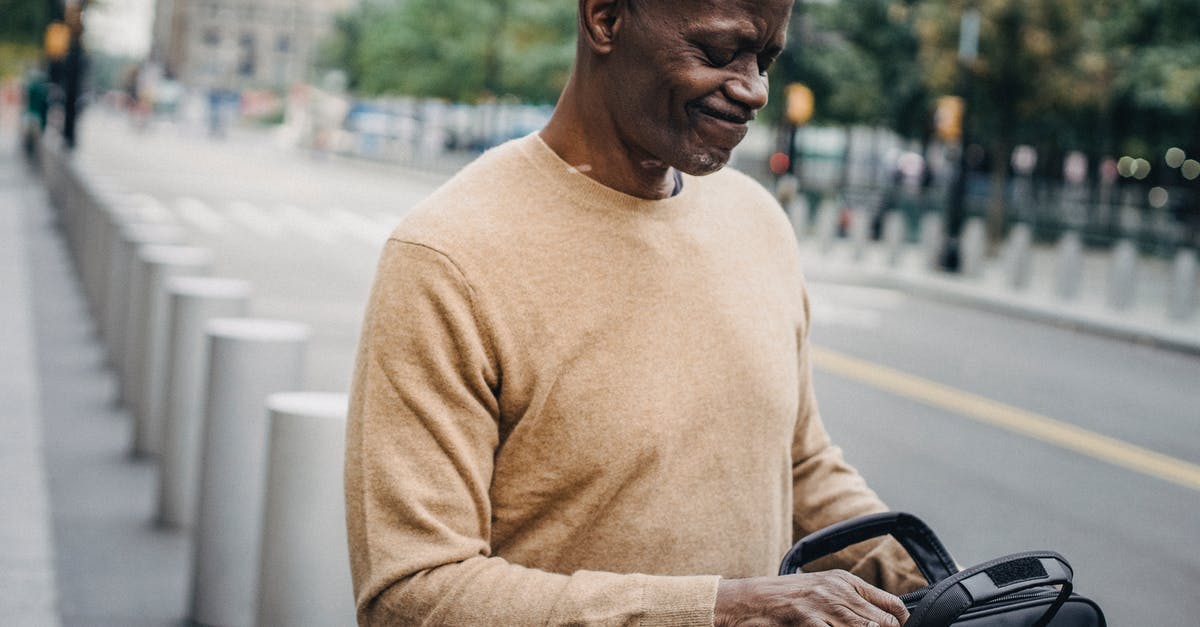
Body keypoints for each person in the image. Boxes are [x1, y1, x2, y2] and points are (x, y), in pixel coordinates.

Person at [345, 0, 925, 624]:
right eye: (719, 51)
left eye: (767, 58)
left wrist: (946, 584)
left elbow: (799, 467)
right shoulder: (447, 256)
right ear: (605, 20)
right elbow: (410, 593)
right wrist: (721, 610)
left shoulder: (758, 222)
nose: (755, 89)